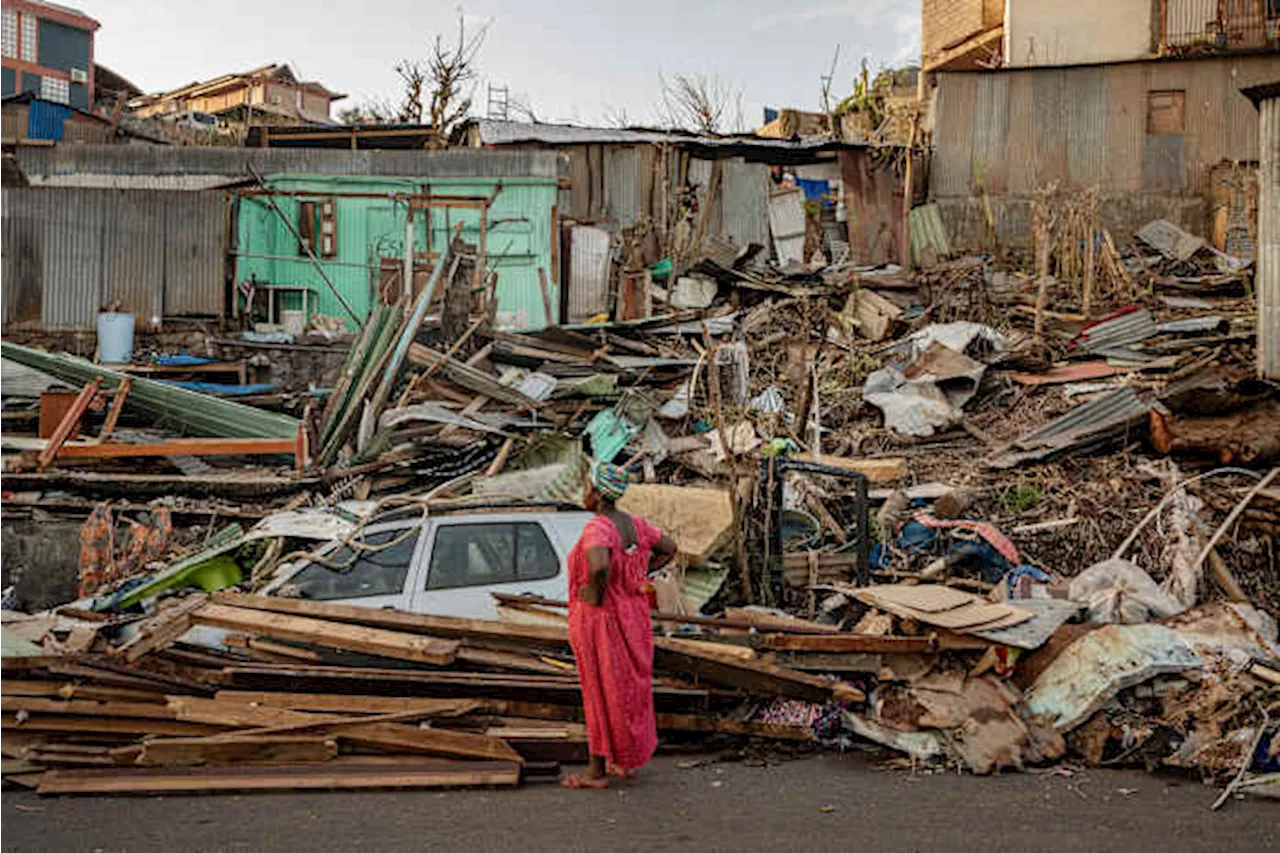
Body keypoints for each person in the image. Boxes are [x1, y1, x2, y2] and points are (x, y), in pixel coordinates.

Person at [561, 461, 677, 790]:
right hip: (633, 617)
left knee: (599, 690)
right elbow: (669, 549)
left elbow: (597, 566)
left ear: (597, 494)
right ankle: (622, 760)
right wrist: (637, 574)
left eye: (587, 487)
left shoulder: (598, 527)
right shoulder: (636, 526)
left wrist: (595, 592)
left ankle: (596, 772)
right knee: (628, 690)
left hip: (602, 620)